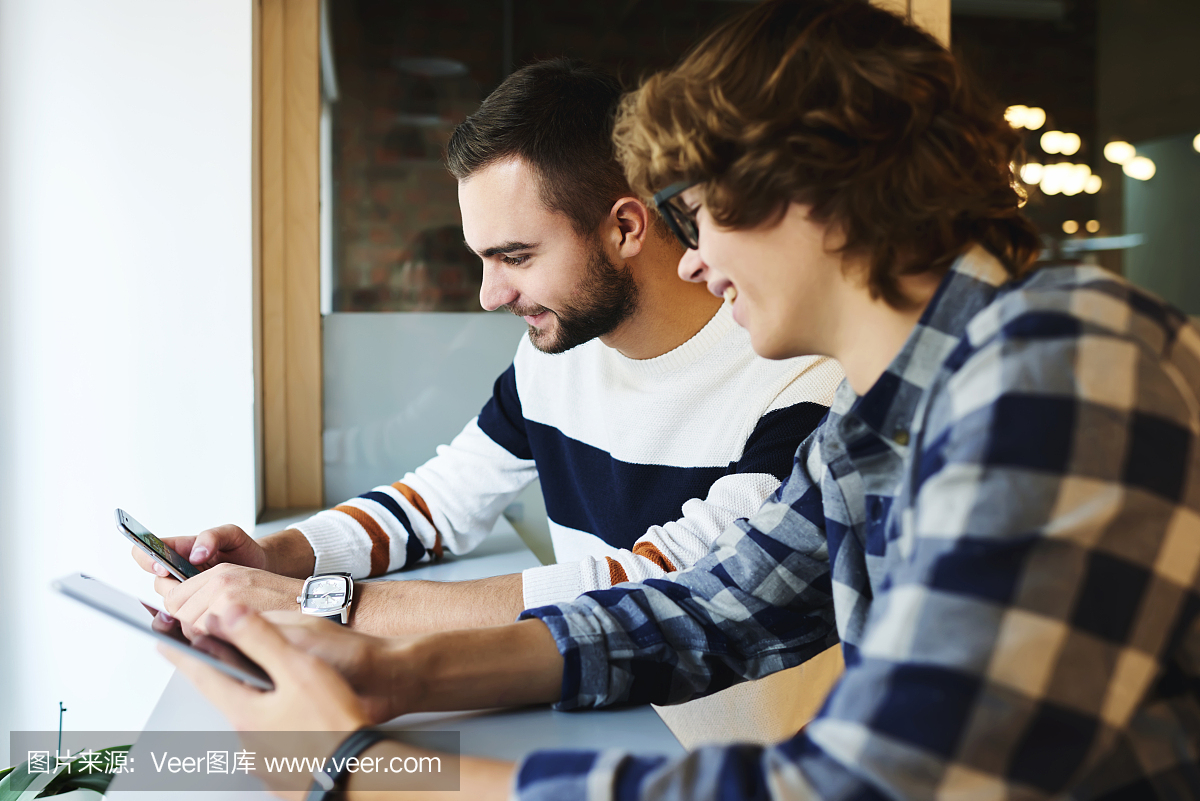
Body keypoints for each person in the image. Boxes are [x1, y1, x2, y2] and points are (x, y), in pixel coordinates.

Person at [164, 0, 1200, 798]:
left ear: (812, 193)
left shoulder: (1067, 361)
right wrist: (393, 674)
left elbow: (857, 788)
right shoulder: (876, 427)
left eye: (701, 219)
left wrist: (358, 770)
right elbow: (703, 612)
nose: (694, 264)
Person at [133, 59, 841, 637]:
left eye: (515, 256)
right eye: (484, 259)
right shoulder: (553, 357)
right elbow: (439, 504)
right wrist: (277, 556)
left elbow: (659, 582)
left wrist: (322, 602)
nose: (488, 295)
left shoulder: (795, 374)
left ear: (626, 227)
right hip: (585, 709)